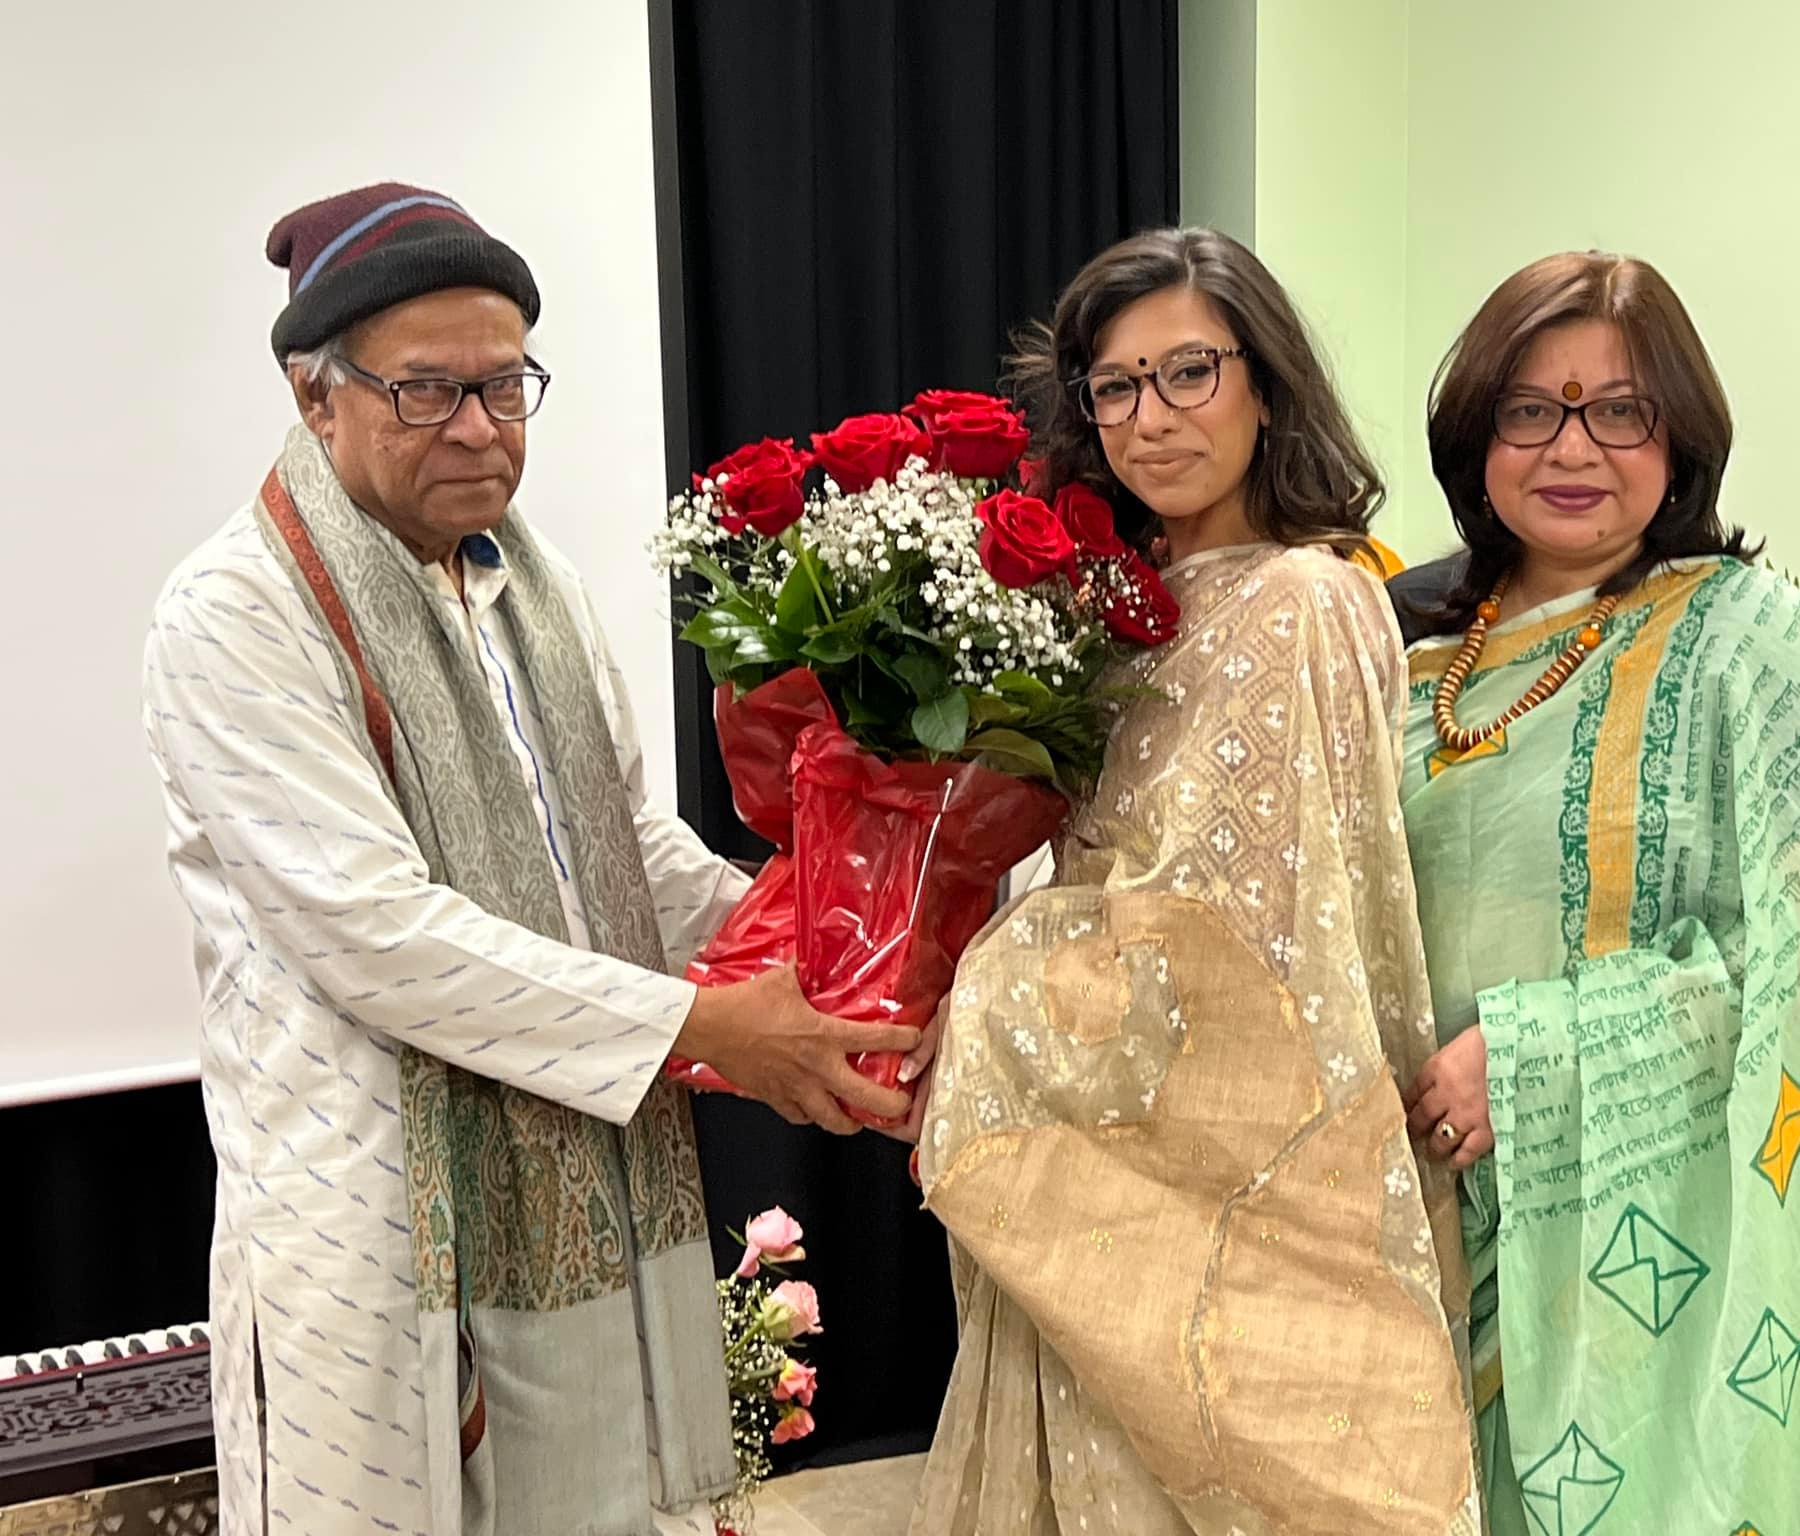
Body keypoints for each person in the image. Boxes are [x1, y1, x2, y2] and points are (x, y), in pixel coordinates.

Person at [141, 182, 918, 1536]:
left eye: (505, 386)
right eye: (425, 391)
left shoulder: (530, 583)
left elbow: (623, 849)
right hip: (377, 1216)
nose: (478, 428)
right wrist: (705, 1024)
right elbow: (378, 935)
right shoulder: (235, 613)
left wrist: (839, 965)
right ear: (314, 396)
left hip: (587, 1186)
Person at [1393, 250, 1800, 1532]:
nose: (1572, 448)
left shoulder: (1751, 644)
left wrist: (1536, 1055)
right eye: (1529, 409)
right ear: (1475, 436)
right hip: (1402, 1235)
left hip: (1655, 1273)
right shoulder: (1401, 648)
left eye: (1620, 411)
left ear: (1681, 442)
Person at [904, 227, 1480, 1534]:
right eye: (1115, 386)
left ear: (1264, 384)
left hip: (1221, 1188)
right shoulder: (1125, 614)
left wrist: (990, 999)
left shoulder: (1303, 600)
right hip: (1100, 1170)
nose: (1149, 418)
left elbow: (1242, 946)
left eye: (1188, 373)